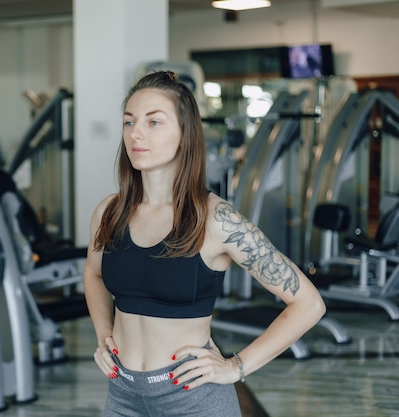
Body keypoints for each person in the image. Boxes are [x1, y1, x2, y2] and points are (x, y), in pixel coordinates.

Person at [83, 70, 326, 416]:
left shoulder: (216, 220)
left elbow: (308, 303)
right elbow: (93, 274)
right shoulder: (109, 211)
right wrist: (103, 332)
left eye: (154, 122)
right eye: (129, 121)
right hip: (121, 394)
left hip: (191, 398)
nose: (135, 132)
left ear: (185, 134)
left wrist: (235, 367)